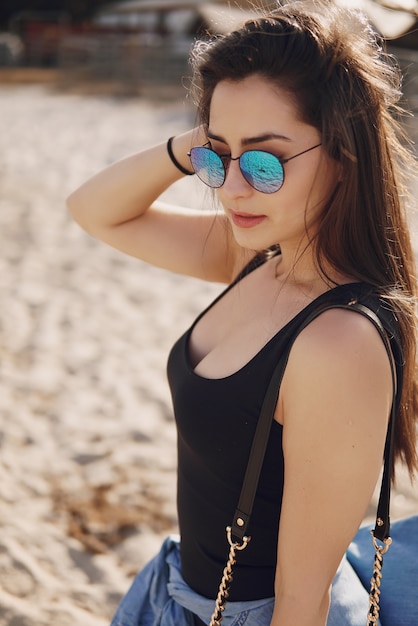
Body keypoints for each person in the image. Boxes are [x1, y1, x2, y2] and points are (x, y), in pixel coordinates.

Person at [67, 2, 418, 625]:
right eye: (215, 156)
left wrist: (225, 138)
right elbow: (95, 210)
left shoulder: (337, 341)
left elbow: (301, 600)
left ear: (344, 152)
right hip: (175, 588)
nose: (231, 188)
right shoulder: (257, 254)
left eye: (264, 161)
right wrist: (194, 143)